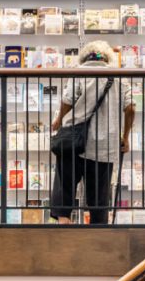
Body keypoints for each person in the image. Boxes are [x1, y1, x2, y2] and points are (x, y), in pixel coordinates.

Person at [50, 41, 135, 224]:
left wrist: (58, 121)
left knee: (65, 180)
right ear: (107, 57)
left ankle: (64, 219)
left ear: (84, 56)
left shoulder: (78, 73)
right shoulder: (120, 77)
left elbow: (68, 100)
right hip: (104, 146)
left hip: (74, 141)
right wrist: (125, 137)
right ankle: (98, 228)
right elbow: (130, 109)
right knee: (100, 195)